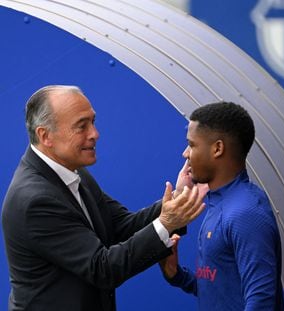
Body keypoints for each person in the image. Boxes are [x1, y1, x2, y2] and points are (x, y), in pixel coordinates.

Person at [1, 85, 207, 311]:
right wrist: (167, 222)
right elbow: (102, 269)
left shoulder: (72, 171)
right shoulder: (35, 200)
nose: (95, 134)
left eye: (93, 121)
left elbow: (122, 227)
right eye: (82, 126)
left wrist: (179, 198)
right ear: (45, 135)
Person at [160, 102, 284, 310]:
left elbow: (260, 302)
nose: (185, 154)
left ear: (217, 148)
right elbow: (222, 293)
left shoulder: (246, 213)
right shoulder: (219, 202)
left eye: (192, 145)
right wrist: (177, 275)